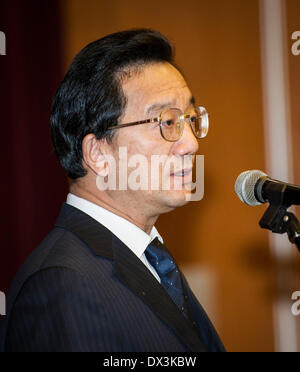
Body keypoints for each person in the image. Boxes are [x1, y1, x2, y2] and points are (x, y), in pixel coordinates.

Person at [0, 29, 225, 352]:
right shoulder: (62, 284)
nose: (190, 143)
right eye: (166, 121)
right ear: (98, 154)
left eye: (190, 118)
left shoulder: (148, 257)